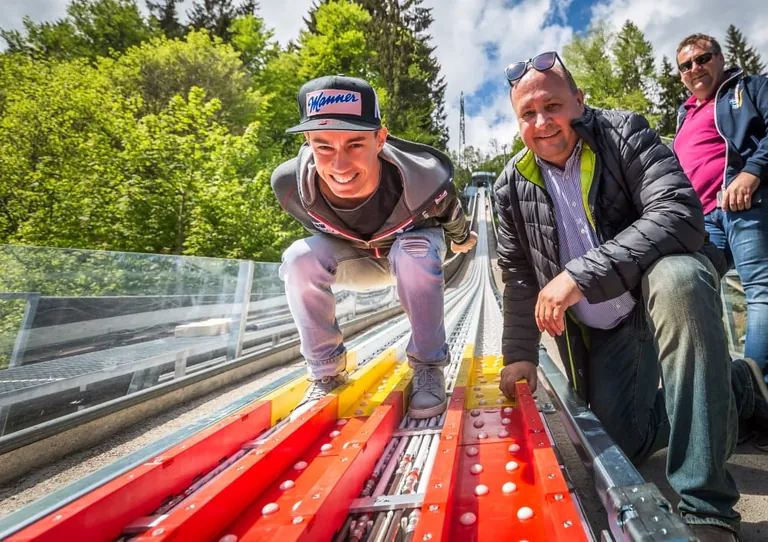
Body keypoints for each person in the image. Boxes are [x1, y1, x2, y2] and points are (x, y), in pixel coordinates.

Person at [493, 51, 768, 542]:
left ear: (579, 100)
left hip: (654, 294)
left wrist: (579, 274)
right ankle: (735, 387)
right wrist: (519, 355)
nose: (542, 122)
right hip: (610, 326)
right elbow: (516, 275)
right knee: (620, 443)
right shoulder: (510, 185)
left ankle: (707, 506)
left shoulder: (625, 133)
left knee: (679, 278)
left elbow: (680, 213)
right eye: (527, 114)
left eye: (552, 106)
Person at [272, 75, 477, 421]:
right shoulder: (291, 186)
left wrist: (460, 240)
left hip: (412, 253)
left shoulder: (423, 177)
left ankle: (428, 365)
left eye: (355, 145)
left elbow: (452, 213)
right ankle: (325, 372)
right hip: (358, 259)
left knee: (412, 250)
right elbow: (318, 237)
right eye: (324, 147)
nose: (339, 166)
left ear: (379, 139)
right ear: (307, 142)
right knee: (298, 258)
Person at [673, 33, 768, 386]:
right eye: (686, 65)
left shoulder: (749, 89)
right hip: (701, 221)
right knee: (695, 294)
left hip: (743, 206)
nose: (695, 68)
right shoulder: (684, 115)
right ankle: (718, 387)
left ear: (720, 57)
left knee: (759, 290)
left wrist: (751, 172)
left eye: (702, 58)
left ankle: (752, 395)